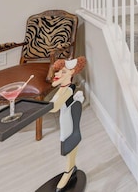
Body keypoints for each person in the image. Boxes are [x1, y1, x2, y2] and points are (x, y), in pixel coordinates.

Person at [50, 56, 87, 192]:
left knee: (69, 143)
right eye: (57, 72)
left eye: (63, 72)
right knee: (67, 146)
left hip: (69, 123)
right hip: (65, 121)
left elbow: (54, 107)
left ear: (71, 73)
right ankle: (71, 168)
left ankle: (69, 170)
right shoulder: (63, 89)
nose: (57, 75)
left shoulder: (69, 90)